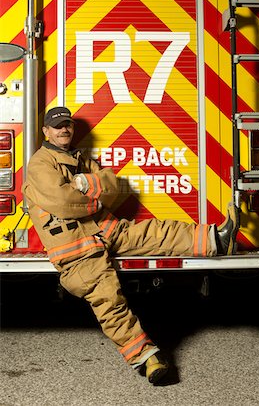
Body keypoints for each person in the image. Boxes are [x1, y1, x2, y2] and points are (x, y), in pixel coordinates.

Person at [22, 107, 239, 385]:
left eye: (67, 125)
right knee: (110, 303)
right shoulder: (41, 163)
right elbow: (62, 202)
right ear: (45, 132)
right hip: (77, 250)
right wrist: (94, 197)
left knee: (155, 231)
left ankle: (217, 240)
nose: (63, 130)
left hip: (104, 231)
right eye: (57, 126)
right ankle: (147, 358)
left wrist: (86, 182)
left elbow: (112, 186)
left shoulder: (78, 159)